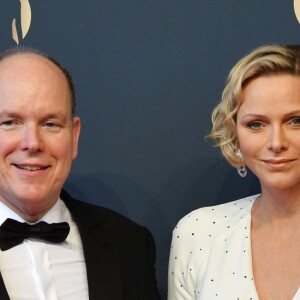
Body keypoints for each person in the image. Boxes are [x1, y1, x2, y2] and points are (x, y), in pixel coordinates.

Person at [0, 47, 161, 300]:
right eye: (10, 122)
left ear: (73, 136)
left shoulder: (129, 243)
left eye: (50, 124)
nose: (32, 143)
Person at [168, 44, 300, 299]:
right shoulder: (198, 233)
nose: (276, 142)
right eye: (256, 124)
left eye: (296, 121)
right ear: (235, 134)